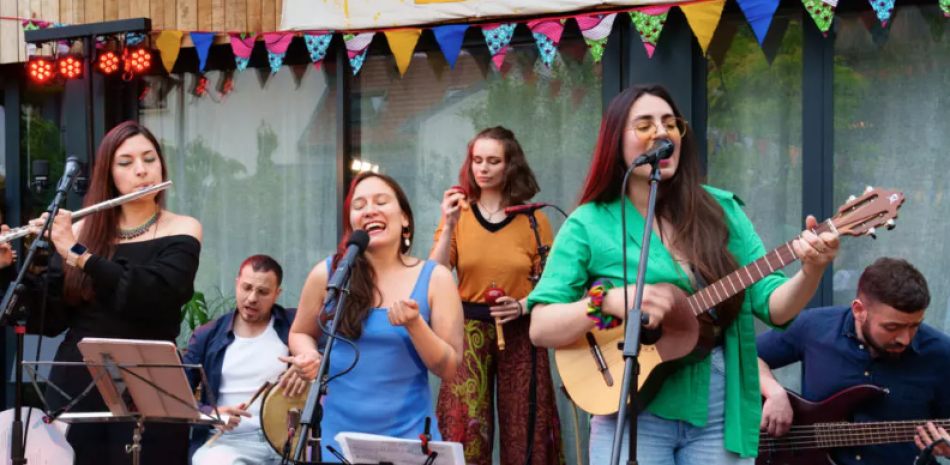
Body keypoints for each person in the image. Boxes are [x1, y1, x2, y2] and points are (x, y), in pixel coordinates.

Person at [525, 84, 839, 465]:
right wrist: (607, 301)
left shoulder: (722, 210)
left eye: (670, 123)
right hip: (629, 403)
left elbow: (773, 306)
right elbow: (541, 327)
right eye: (644, 125)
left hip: (718, 402)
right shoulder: (588, 222)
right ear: (615, 141)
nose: (662, 132)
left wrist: (812, 269)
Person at [9, 121, 203, 464]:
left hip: (148, 386)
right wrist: (6, 268)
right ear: (109, 174)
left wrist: (79, 254)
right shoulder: (82, 229)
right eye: (126, 163)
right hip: (76, 384)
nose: (141, 171)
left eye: (149, 159)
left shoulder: (183, 228)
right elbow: (49, 317)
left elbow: (156, 293)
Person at [283, 172, 464, 460]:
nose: (370, 210)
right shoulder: (329, 274)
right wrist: (309, 356)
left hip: (408, 444)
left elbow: (450, 368)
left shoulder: (435, 279)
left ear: (405, 219)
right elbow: (301, 332)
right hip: (335, 443)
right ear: (351, 224)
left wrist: (415, 325)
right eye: (359, 206)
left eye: (381, 202)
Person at [432, 126, 563, 465]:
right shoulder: (459, 215)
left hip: (522, 329)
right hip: (468, 330)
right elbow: (435, 274)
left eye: (493, 161)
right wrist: (447, 225)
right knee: (466, 429)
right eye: (477, 160)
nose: (483, 168)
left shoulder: (535, 219)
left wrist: (521, 305)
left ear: (510, 166)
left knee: (526, 429)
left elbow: (553, 284)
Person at [758, 257, 950, 464]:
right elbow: (748, 355)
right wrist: (774, 393)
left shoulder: (941, 353)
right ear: (859, 310)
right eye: (891, 327)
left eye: (915, 326)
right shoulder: (814, 327)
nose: (905, 338)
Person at [185, 254, 308, 464]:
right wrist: (211, 413)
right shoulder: (207, 335)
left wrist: (309, 366)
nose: (252, 298)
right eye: (246, 288)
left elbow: (334, 353)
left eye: (262, 292)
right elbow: (174, 397)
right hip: (228, 442)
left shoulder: (295, 328)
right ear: (237, 284)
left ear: (276, 294)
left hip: (287, 442)